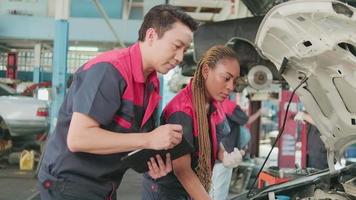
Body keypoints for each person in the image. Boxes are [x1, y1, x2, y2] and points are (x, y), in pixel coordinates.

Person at [38, 5, 198, 200]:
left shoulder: (152, 85)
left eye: (185, 50)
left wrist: (152, 163)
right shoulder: (109, 70)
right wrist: (149, 139)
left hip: (105, 185)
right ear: (151, 35)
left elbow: (132, 142)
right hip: (69, 184)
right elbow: (78, 138)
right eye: (176, 46)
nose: (180, 57)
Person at [141, 45, 243, 200]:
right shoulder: (181, 112)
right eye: (226, 78)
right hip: (168, 192)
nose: (230, 87)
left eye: (234, 81)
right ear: (206, 71)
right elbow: (182, 170)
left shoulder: (214, 103)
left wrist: (224, 156)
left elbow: (213, 138)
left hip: (191, 188)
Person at [209, 100, 262, 200]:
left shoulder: (210, 105)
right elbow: (247, 121)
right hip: (227, 156)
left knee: (211, 189)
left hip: (214, 154)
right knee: (219, 192)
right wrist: (260, 112)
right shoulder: (230, 105)